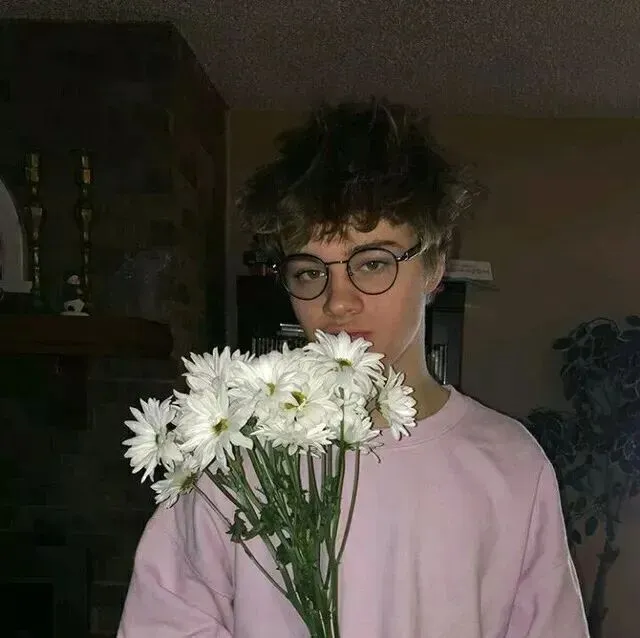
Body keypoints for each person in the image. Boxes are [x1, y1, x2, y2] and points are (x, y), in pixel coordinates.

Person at [117, 100, 589, 637]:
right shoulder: (237, 459)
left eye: (373, 263)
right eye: (309, 271)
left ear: (434, 264)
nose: (338, 302)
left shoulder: (511, 464)